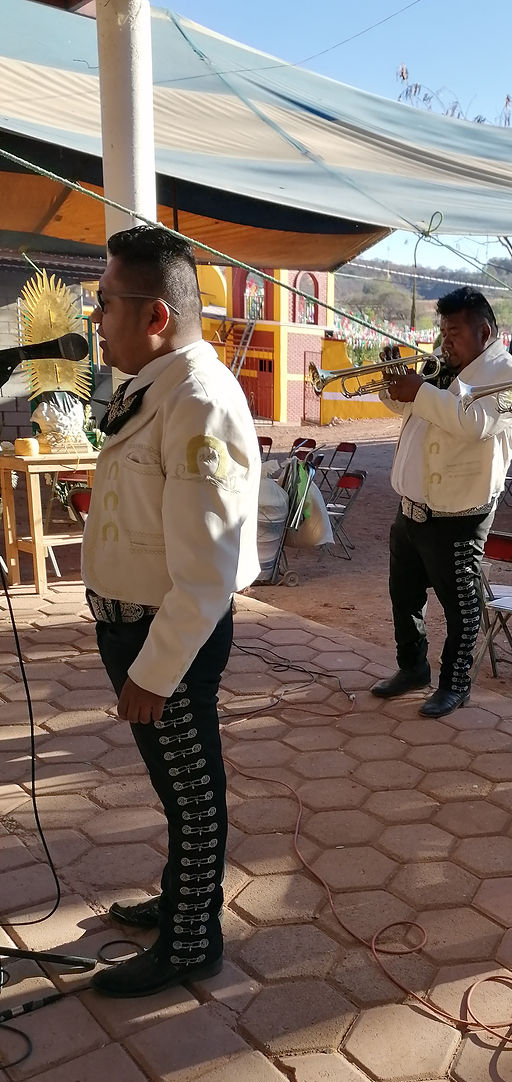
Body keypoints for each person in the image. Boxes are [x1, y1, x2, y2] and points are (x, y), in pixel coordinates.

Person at [82, 225, 260, 998]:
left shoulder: (198, 401)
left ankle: (193, 940)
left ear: (155, 316)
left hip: (168, 637)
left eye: (107, 304)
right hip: (133, 625)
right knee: (175, 785)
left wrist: (155, 670)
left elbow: (208, 568)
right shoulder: (156, 385)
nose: (97, 319)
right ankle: (183, 898)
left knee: (192, 791)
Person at [371, 288, 512, 717]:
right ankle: (412, 668)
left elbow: (472, 422)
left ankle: (455, 685)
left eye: (454, 332)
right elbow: (409, 409)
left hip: (459, 515)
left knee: (460, 607)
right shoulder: (441, 367)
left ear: (484, 331)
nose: (445, 341)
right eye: (442, 331)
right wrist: (393, 383)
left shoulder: (508, 375)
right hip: (412, 510)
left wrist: (419, 388)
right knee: (404, 598)